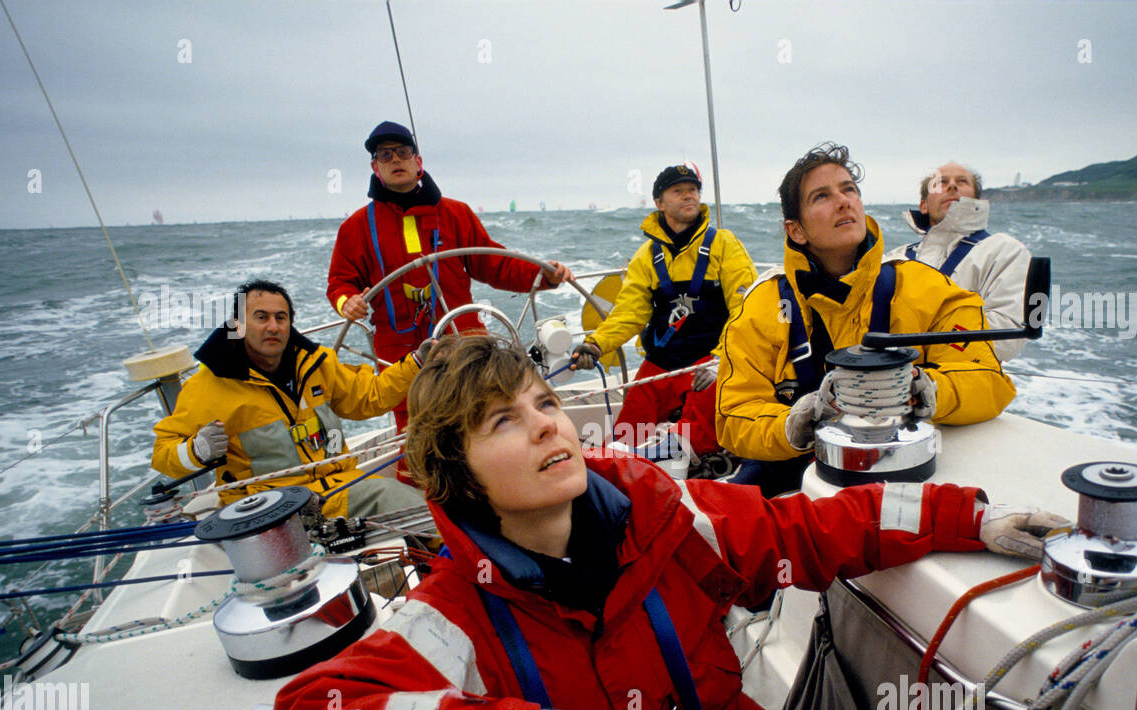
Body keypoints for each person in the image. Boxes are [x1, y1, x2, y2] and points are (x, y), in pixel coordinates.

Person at [274, 334, 1064, 710]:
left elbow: (802, 527)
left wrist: (966, 517)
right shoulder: (451, 616)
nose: (550, 422)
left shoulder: (660, 511)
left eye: (543, 400)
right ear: (460, 478)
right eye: (503, 421)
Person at [716, 144, 1017, 496]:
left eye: (849, 190)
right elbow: (733, 415)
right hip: (793, 476)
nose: (844, 202)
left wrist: (929, 389)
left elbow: (989, 380)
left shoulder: (930, 291)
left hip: (901, 470)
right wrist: (792, 424)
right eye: (822, 196)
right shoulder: (761, 308)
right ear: (795, 230)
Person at [327, 120, 575, 462]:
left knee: (486, 416)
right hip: (398, 354)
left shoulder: (455, 214)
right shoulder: (354, 227)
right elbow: (340, 282)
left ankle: (499, 479)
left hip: (463, 338)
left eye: (402, 152)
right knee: (417, 437)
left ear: (418, 161)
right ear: (375, 167)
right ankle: (431, 500)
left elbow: (494, 264)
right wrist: (347, 303)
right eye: (385, 155)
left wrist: (544, 274)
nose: (395, 160)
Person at [151, 279, 425, 520]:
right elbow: (163, 453)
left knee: (422, 511)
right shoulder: (208, 386)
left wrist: (416, 362)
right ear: (238, 326)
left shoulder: (317, 364)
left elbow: (370, 398)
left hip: (340, 489)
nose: (273, 326)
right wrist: (197, 451)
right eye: (261, 317)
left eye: (281, 318)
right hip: (266, 507)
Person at [570, 164, 756, 459]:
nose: (688, 197)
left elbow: (744, 310)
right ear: (659, 202)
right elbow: (629, 312)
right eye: (678, 191)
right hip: (661, 363)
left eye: (692, 190)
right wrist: (596, 344)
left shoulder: (725, 245)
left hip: (707, 363)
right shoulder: (646, 257)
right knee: (624, 438)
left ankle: (681, 465)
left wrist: (722, 360)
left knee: (695, 441)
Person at [885, 162, 1033, 361]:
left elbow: (1007, 336)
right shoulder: (895, 258)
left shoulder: (1005, 251)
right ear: (924, 205)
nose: (952, 186)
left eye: (962, 182)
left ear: (976, 200)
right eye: (940, 183)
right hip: (892, 380)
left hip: (964, 382)